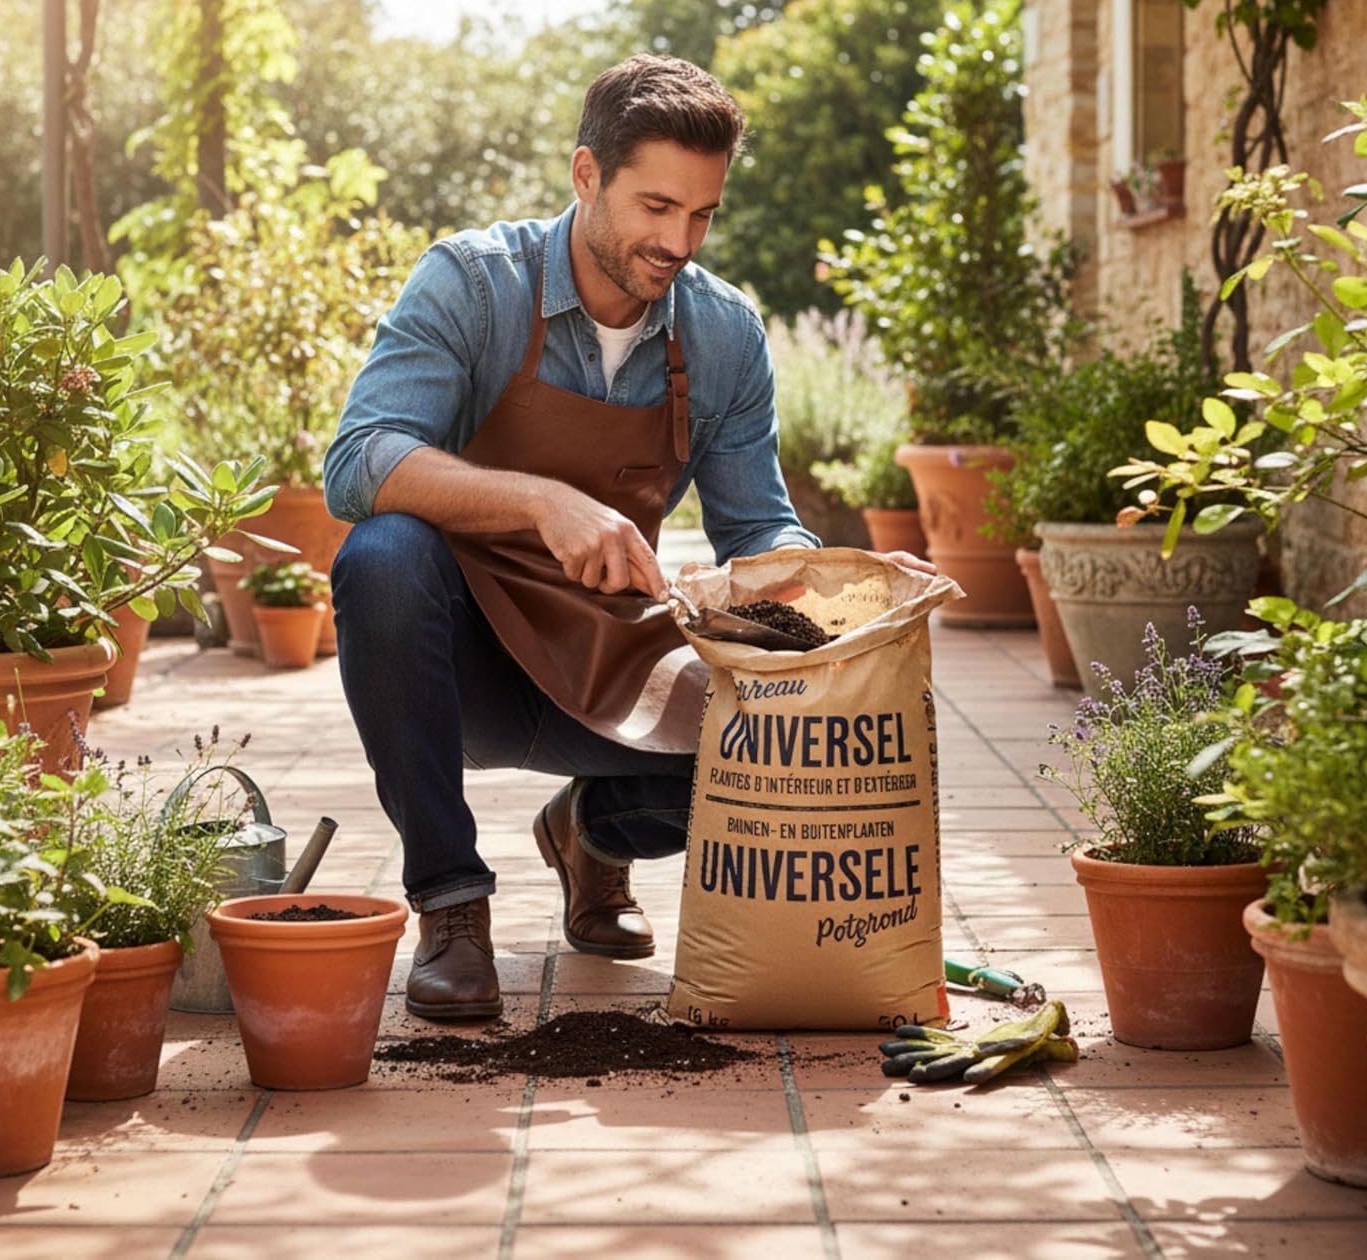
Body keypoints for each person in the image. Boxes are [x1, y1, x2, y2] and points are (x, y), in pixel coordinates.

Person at [325, 54, 929, 1022]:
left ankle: (592, 834)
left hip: (612, 661)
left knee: (785, 751)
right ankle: (450, 903)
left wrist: (838, 581)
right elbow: (358, 461)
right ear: (585, 176)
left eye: (702, 215)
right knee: (382, 556)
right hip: (458, 658)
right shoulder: (476, 286)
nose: (679, 242)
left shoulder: (723, 334)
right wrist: (541, 503)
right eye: (656, 208)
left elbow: (755, 524)